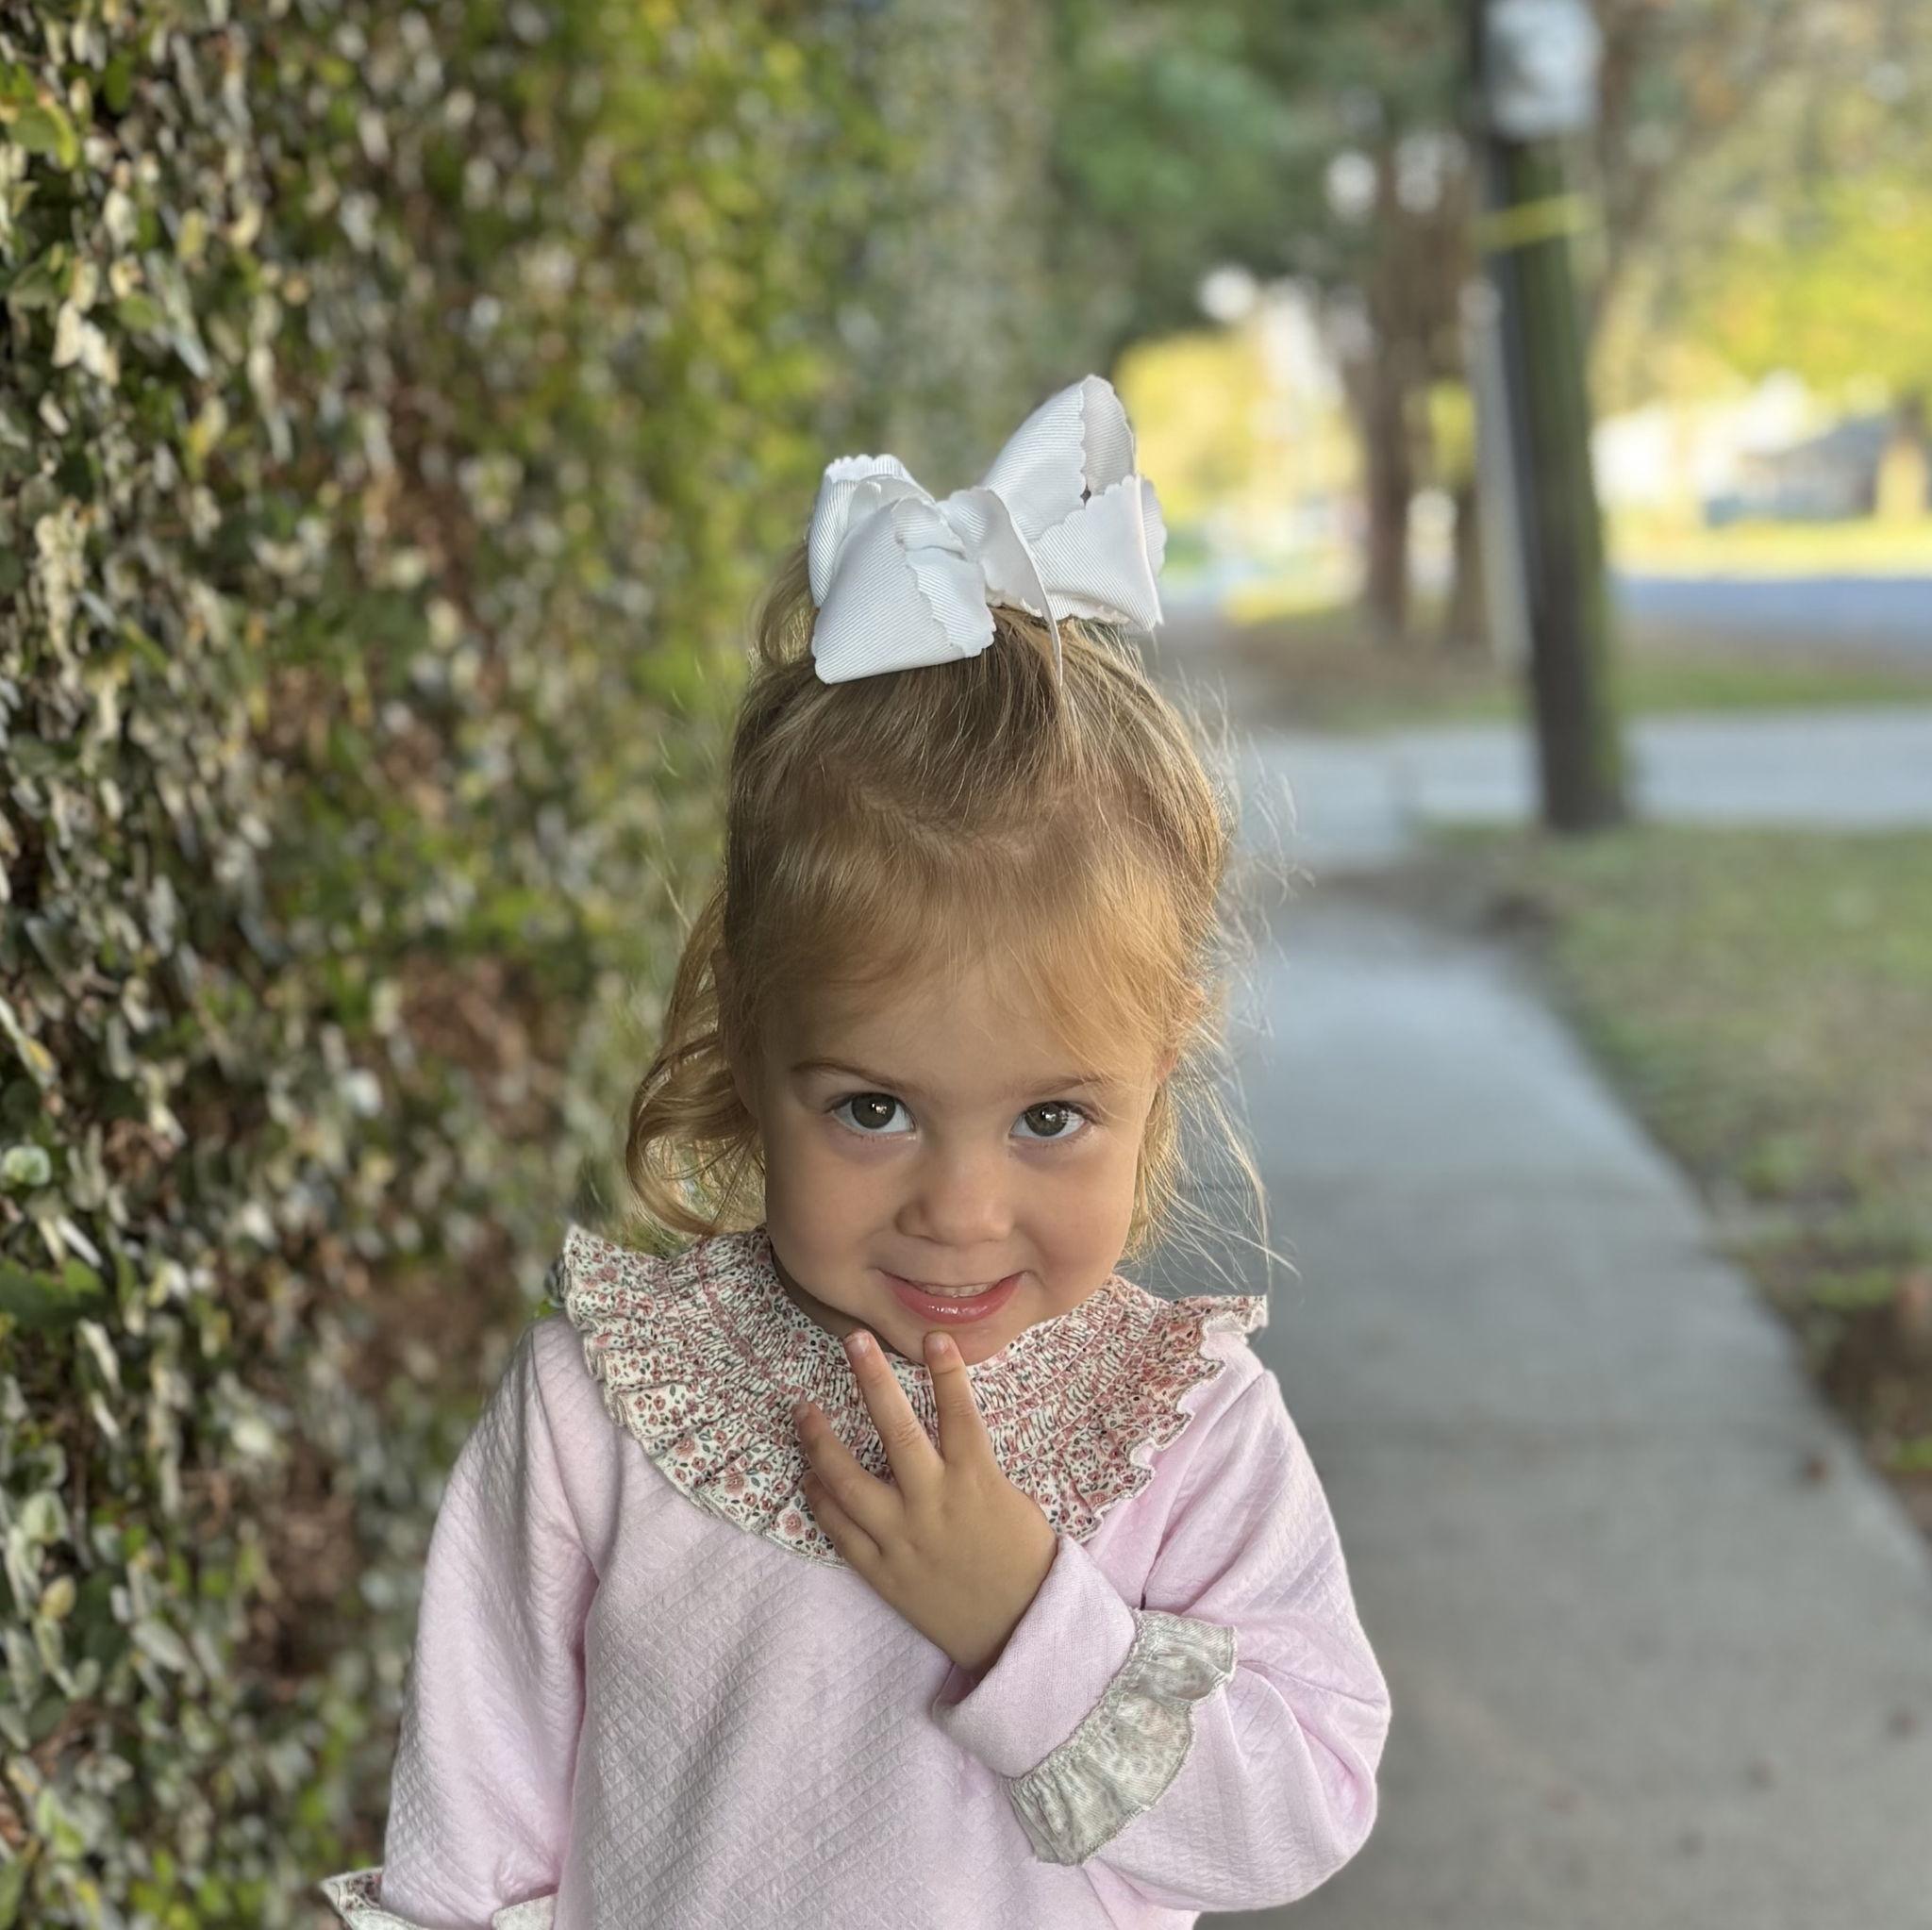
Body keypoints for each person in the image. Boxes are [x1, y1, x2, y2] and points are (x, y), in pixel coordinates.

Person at [318, 374, 1391, 1930]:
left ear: (1161, 1070)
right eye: (875, 1108)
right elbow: (466, 1855)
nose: (961, 1207)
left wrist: (1028, 1622)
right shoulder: (602, 1410)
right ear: (748, 1050)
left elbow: (1303, 1803)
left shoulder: (1185, 1432)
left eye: (1050, 1117)